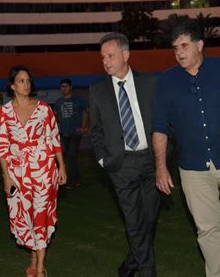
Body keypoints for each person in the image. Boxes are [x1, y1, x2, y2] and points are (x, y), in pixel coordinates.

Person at [152, 20, 220, 277]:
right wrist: (160, 167)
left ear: (200, 45)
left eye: (184, 45)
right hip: (192, 169)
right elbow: (159, 128)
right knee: (207, 231)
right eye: (174, 47)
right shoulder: (166, 81)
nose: (179, 52)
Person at [89, 32, 160, 277]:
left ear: (126, 55)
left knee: (148, 221)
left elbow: (163, 122)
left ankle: (130, 265)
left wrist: (164, 154)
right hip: (121, 166)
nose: (105, 61)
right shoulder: (97, 89)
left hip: (152, 162)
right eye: (103, 57)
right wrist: (103, 158)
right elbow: (95, 129)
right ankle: (147, 271)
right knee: (134, 222)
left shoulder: (149, 83)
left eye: (110, 55)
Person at [0, 65, 67, 277]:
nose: (26, 84)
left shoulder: (44, 108)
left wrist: (61, 166)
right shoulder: (4, 112)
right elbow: (2, 147)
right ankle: (34, 256)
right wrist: (6, 177)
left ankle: (39, 268)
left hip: (44, 170)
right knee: (25, 218)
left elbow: (54, 138)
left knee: (41, 216)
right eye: (21, 81)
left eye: (28, 80)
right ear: (12, 85)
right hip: (18, 175)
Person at [54, 78, 90, 189]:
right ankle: (77, 180)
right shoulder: (58, 102)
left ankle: (70, 181)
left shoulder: (78, 100)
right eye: (62, 86)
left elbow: (88, 111)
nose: (64, 88)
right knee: (70, 157)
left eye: (66, 86)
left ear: (71, 87)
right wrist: (57, 125)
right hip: (64, 133)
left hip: (75, 132)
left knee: (71, 156)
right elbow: (55, 116)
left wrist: (85, 127)